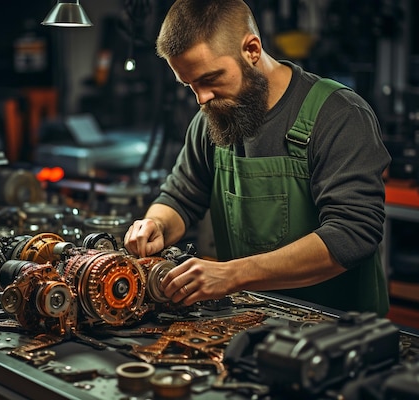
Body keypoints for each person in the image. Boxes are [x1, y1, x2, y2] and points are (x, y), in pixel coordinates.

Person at [123, 0, 391, 316]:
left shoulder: (339, 115)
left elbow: (352, 234)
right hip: (249, 321)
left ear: (251, 50)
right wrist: (156, 224)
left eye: (209, 79)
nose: (201, 98)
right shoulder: (213, 118)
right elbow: (181, 197)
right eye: (190, 85)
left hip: (339, 330)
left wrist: (232, 274)